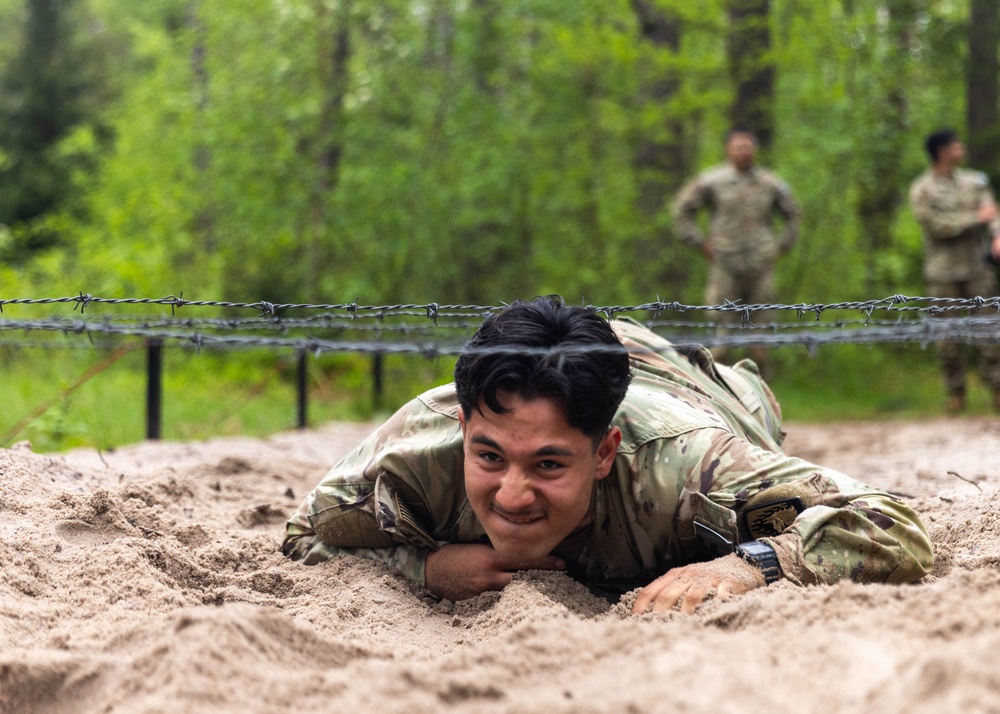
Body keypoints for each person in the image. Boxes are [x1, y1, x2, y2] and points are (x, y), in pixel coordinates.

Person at [283, 297, 932, 615]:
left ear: (603, 455)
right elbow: (306, 532)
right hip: (600, 371)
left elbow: (890, 524)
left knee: (752, 410)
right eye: (489, 456)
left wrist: (750, 565)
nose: (511, 495)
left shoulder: (689, 468)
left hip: (690, 394)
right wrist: (424, 567)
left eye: (547, 465)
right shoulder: (416, 457)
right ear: (463, 425)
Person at [671, 127, 801, 375]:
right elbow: (682, 210)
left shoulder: (770, 182)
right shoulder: (711, 180)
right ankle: (719, 391)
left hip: (760, 266)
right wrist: (700, 243)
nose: (744, 152)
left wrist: (780, 246)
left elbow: (794, 214)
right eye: (739, 147)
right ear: (728, 149)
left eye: (749, 147)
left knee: (760, 341)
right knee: (721, 339)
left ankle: (761, 394)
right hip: (724, 264)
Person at [908, 129, 1000, 413]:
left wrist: (997, 235)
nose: (960, 147)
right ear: (942, 151)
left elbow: (992, 213)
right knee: (946, 335)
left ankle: (998, 389)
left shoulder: (975, 181)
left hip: (977, 268)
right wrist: (974, 218)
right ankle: (955, 393)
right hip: (943, 272)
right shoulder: (922, 189)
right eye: (954, 144)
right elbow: (935, 225)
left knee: (989, 330)